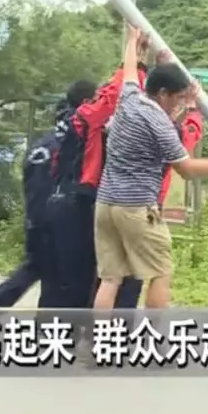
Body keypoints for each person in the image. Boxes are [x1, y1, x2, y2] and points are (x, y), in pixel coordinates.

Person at [92, 26, 208, 311]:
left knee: (110, 280)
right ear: (162, 94)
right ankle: (156, 336)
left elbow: (130, 70)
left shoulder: (129, 97)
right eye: (178, 97)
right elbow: (186, 168)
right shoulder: (158, 122)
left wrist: (134, 42)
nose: (180, 104)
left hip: (106, 204)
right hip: (136, 207)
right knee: (160, 273)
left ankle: (101, 339)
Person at [46, 58, 147, 310]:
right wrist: (134, 63)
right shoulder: (86, 117)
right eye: (96, 98)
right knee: (82, 276)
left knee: (73, 275)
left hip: (64, 198)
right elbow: (113, 95)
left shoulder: (71, 121)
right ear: (86, 101)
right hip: (76, 201)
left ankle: (62, 326)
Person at [0, 94, 84, 310]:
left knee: (37, 264)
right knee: (58, 276)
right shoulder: (72, 143)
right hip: (60, 216)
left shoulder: (39, 145)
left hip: (34, 216)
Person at [108, 87, 204, 309]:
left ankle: (101, 325)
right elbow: (188, 140)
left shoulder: (130, 122)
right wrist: (192, 109)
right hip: (145, 202)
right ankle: (131, 323)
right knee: (150, 269)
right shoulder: (165, 132)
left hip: (113, 198)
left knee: (111, 275)